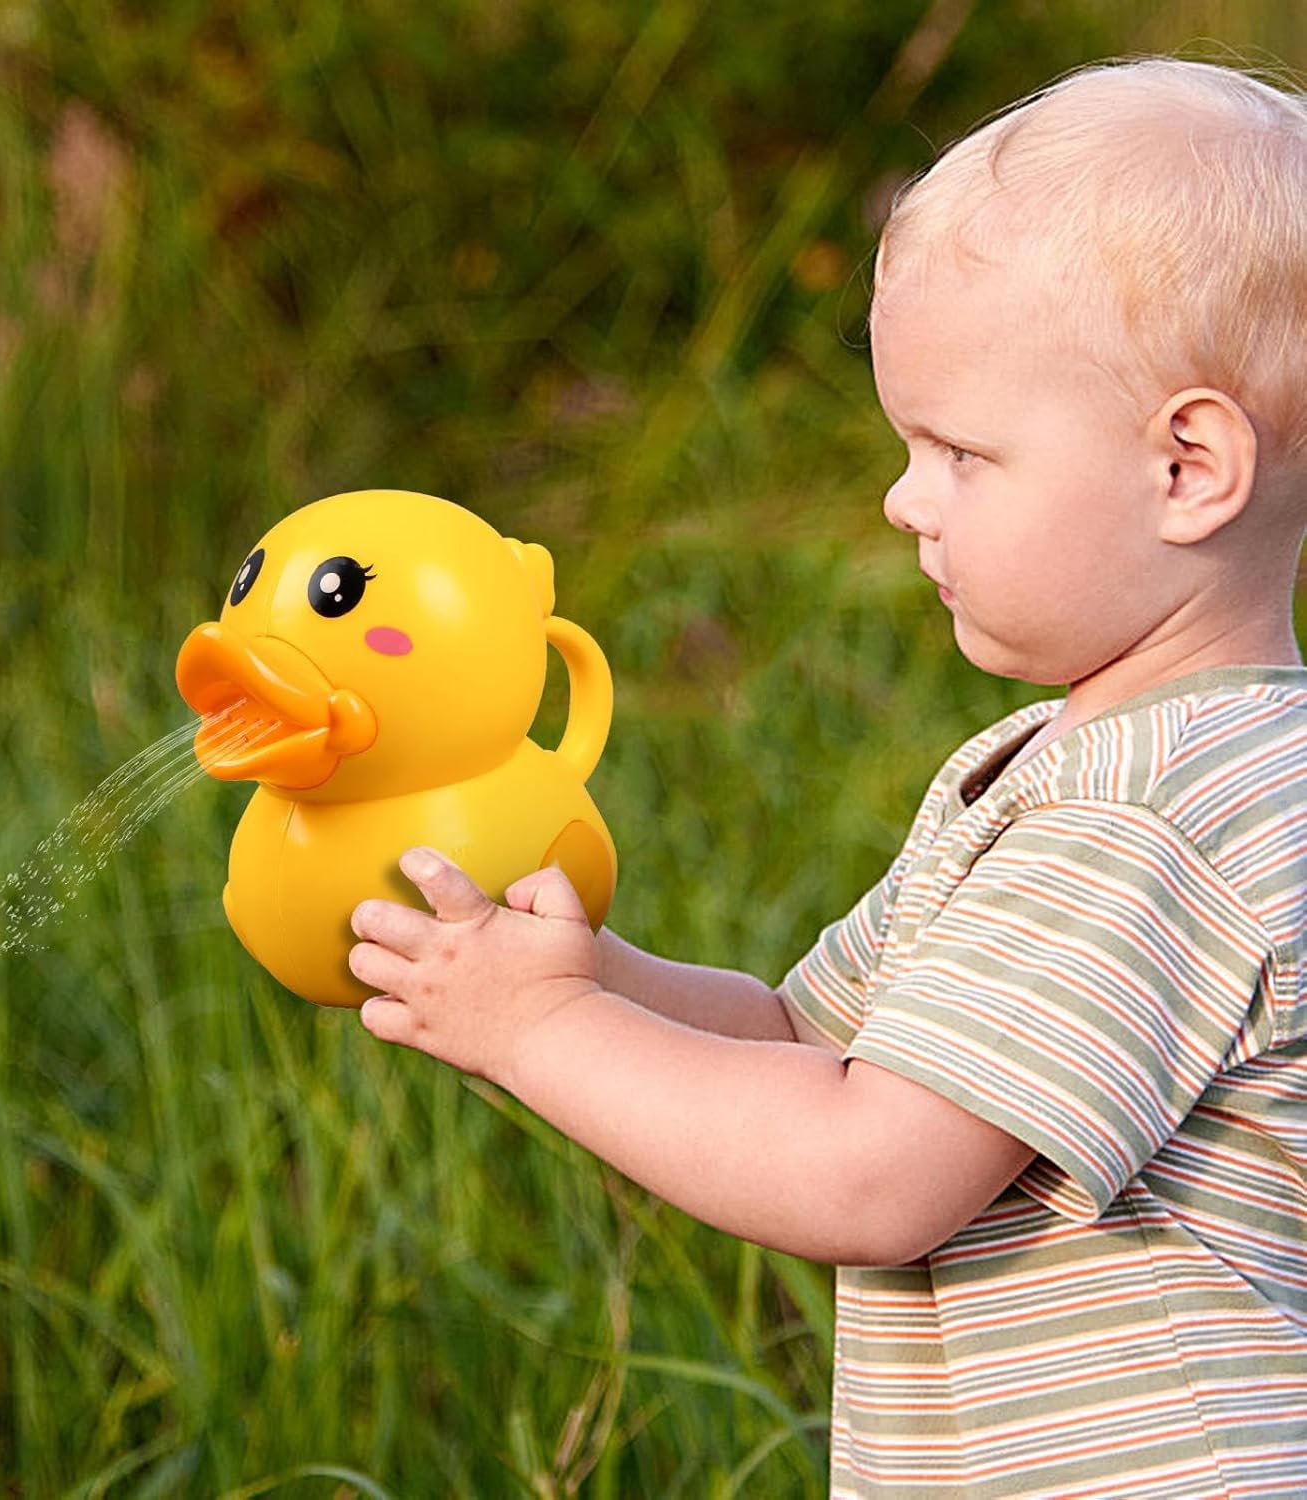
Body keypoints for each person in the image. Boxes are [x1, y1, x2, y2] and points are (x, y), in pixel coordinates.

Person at [347, 55, 1307, 1496]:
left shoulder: (1142, 816)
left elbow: (870, 1172)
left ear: (1187, 468)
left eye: (960, 452)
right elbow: (808, 1042)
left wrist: (535, 1028)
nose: (903, 500)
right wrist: (585, 972)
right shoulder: (1107, 767)